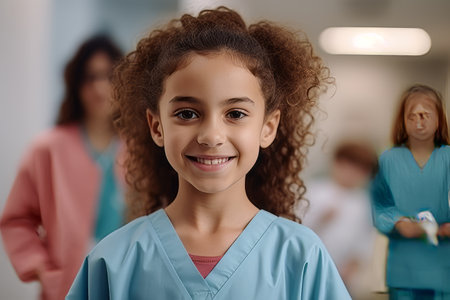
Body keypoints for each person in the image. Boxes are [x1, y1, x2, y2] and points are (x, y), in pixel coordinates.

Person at [66, 7, 350, 299]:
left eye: (236, 113)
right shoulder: (113, 261)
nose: (211, 136)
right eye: (187, 113)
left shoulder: (302, 258)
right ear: (156, 126)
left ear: (268, 127)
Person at [0, 35, 125, 300]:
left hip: (127, 285)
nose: (100, 87)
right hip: (67, 288)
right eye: (90, 77)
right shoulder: (47, 149)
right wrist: (41, 268)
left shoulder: (140, 149)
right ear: (77, 84)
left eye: (108, 76)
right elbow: (16, 219)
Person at [371, 84, 450, 299]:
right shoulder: (388, 160)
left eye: (425, 115)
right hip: (403, 269)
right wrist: (400, 223)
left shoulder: (448, 158)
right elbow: (379, 205)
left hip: (444, 268)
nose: (418, 122)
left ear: (439, 119)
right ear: (402, 121)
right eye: (412, 116)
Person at [299, 140, 378, 298]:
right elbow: (297, 228)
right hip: (309, 268)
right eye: (348, 166)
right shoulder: (314, 191)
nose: (352, 174)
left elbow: (364, 240)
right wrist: (321, 219)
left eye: (360, 170)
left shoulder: (362, 202)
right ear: (336, 163)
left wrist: (353, 265)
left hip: (342, 274)